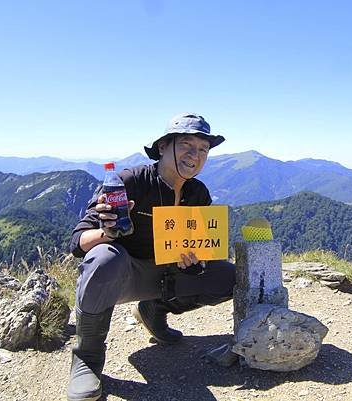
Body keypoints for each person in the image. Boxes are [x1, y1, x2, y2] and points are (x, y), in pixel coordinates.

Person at [66, 113, 236, 401]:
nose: (195, 155)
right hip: (124, 274)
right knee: (103, 259)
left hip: (167, 275)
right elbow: (77, 243)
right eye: (186, 145)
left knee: (228, 277)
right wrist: (108, 232)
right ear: (162, 147)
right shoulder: (128, 182)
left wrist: (196, 265)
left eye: (203, 149)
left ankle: (154, 311)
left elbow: (202, 251)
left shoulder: (199, 193)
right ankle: (87, 358)